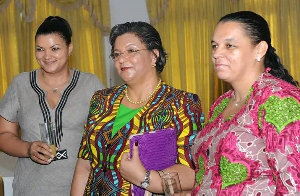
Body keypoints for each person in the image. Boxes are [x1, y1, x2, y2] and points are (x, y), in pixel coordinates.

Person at [71, 21, 203, 195]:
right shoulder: (101, 100)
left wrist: (145, 178)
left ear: (154, 56)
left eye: (131, 51)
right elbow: (84, 165)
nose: (122, 59)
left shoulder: (182, 103)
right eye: (117, 54)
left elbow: (190, 173)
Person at [191, 11, 300, 195]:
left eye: (229, 45)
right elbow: (209, 177)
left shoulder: (279, 99)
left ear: (259, 50)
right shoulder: (221, 104)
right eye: (215, 46)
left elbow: (293, 185)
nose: (217, 53)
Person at [0, 16, 105, 196]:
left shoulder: (91, 84)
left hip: (82, 189)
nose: (47, 56)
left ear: (69, 48)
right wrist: (28, 148)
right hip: (31, 189)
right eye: (40, 49)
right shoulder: (21, 84)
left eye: (55, 48)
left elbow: (108, 137)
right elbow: (3, 134)